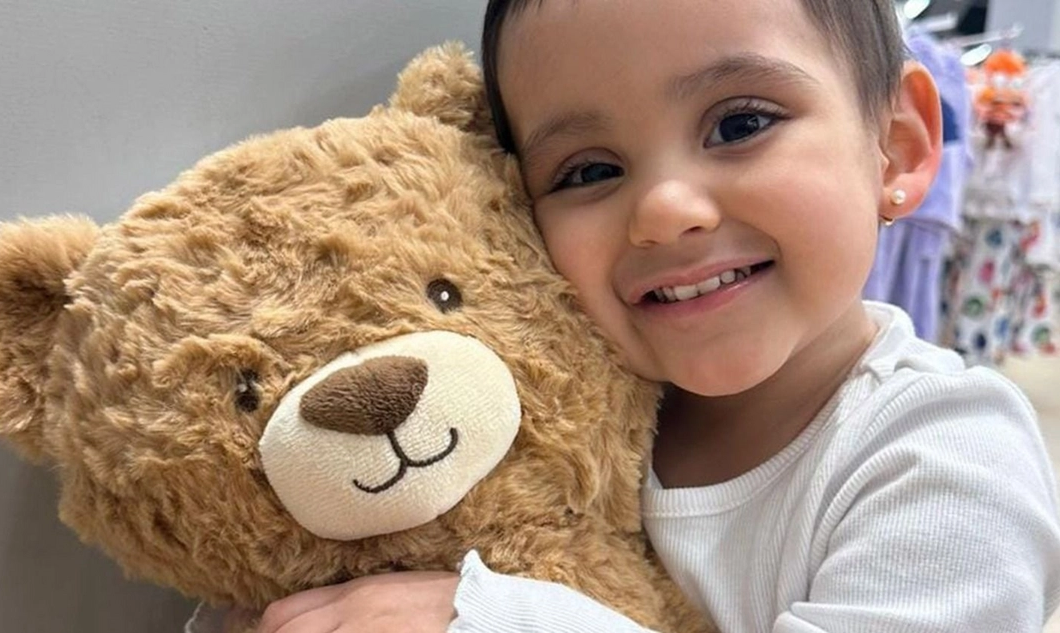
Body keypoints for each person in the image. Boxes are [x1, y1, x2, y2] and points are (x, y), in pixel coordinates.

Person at [244, 1, 1060, 631]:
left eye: (739, 123)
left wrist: (499, 618)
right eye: (587, 170)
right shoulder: (561, 420)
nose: (664, 210)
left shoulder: (947, 454)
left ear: (897, 144)